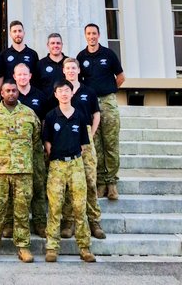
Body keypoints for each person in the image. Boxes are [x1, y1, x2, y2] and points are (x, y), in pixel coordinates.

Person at [0, 82, 41, 263]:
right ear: (1, 93)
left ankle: (23, 247)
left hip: (23, 171)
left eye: (14, 90)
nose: (11, 93)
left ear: (18, 92)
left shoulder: (29, 113)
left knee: (22, 211)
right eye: (8, 91)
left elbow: (35, 137)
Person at [42, 79, 96, 263]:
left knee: (79, 207)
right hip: (57, 165)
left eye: (67, 90)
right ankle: (52, 247)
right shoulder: (50, 117)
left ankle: (84, 247)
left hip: (76, 165)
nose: (64, 93)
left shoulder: (80, 116)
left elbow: (83, 144)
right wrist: (56, 156)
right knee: (55, 207)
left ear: (72, 93)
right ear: (55, 94)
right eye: (60, 91)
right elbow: (47, 143)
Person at [77, 23, 125, 199]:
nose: (91, 36)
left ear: (99, 35)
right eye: (88, 34)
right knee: (95, 145)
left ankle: (111, 182)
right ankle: (100, 183)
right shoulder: (81, 57)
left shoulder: (108, 54)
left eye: (94, 33)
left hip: (108, 102)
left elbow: (121, 78)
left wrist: (109, 90)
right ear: (85, 36)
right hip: (90, 105)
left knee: (111, 143)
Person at [62, 56, 105, 240]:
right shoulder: (61, 91)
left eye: (74, 68)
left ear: (78, 70)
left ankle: (94, 221)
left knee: (89, 180)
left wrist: (90, 135)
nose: (71, 71)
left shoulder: (89, 91)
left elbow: (96, 115)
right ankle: (69, 221)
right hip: (67, 139)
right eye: (68, 68)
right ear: (63, 71)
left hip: (86, 139)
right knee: (68, 183)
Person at [12, 62, 49, 236]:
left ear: (30, 76)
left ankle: (40, 222)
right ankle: (16, 222)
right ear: (14, 77)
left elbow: (44, 121)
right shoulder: (10, 96)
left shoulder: (40, 96)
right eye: (19, 75)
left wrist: (43, 141)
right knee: (17, 188)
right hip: (16, 151)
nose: (22, 77)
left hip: (35, 149)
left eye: (25, 74)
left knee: (39, 185)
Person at [0, 20, 39, 89]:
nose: (17, 34)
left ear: (24, 33)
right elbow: (0, 78)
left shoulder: (32, 54)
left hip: (28, 95)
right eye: (14, 31)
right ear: (10, 34)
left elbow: (36, 77)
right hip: (11, 95)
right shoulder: (4, 55)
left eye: (20, 31)